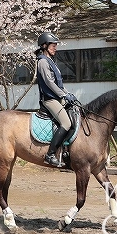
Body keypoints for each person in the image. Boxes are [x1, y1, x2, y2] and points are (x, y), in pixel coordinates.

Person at [35, 32, 77, 167]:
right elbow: (49, 83)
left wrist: (68, 93)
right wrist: (63, 95)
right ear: (44, 45)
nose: (55, 48)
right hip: (50, 100)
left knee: (75, 112)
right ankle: (50, 154)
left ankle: (66, 151)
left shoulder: (51, 62)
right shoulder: (42, 61)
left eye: (55, 46)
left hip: (57, 97)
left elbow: (59, 84)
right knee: (66, 123)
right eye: (53, 45)